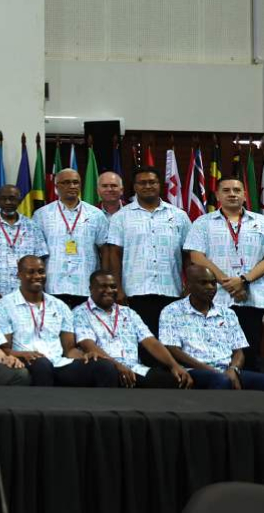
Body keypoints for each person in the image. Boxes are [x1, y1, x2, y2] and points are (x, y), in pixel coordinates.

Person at [0, 256, 118, 387]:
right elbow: (4, 349)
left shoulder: (59, 306)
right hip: (26, 362)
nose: (37, 276)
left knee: (104, 366)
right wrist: (23, 354)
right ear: (19, 275)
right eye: (31, 272)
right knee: (42, 364)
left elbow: (69, 350)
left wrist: (86, 356)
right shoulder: (3, 306)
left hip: (58, 363)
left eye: (41, 271)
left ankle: (103, 407)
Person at [183, 176, 264, 370]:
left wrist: (244, 280)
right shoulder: (203, 223)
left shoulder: (261, 222)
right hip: (216, 297)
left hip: (252, 298)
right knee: (218, 350)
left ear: (245, 195)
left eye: (237, 190)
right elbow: (196, 255)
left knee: (250, 351)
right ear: (218, 195)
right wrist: (228, 283)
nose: (232, 194)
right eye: (226, 190)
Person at [103, 165, 187, 335]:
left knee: (169, 341)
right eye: (142, 183)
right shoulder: (121, 217)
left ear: (160, 185)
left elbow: (188, 254)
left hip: (171, 290)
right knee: (140, 341)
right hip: (134, 291)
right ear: (134, 187)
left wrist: (189, 287)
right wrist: (117, 289)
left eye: (152, 182)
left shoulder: (179, 216)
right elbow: (114, 255)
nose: (147, 186)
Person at [74, 270, 192, 389]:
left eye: (113, 287)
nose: (109, 290)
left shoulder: (128, 313)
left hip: (135, 369)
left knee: (174, 380)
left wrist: (174, 365)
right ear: (91, 288)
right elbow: (87, 345)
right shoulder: (80, 313)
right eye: (103, 286)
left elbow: (151, 342)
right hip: (105, 368)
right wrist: (117, 365)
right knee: (108, 372)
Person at [158, 265, 264, 390]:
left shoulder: (227, 313)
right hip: (193, 370)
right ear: (188, 285)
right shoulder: (171, 312)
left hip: (227, 370)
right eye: (203, 283)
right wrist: (211, 370)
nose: (210, 287)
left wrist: (233, 369)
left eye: (213, 283)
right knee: (222, 380)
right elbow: (172, 349)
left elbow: (238, 351)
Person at [32, 168, 108, 308]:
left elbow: (105, 251)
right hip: (53, 286)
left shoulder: (96, 215)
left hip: (86, 286)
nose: (72, 186)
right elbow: (36, 254)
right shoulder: (41, 215)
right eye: (66, 182)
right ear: (56, 187)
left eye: (75, 182)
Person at [0, 184, 48, 297]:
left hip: (27, 290)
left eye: (12, 199)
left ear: (20, 200)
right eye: (3, 199)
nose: (7, 202)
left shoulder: (32, 226)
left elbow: (40, 258)